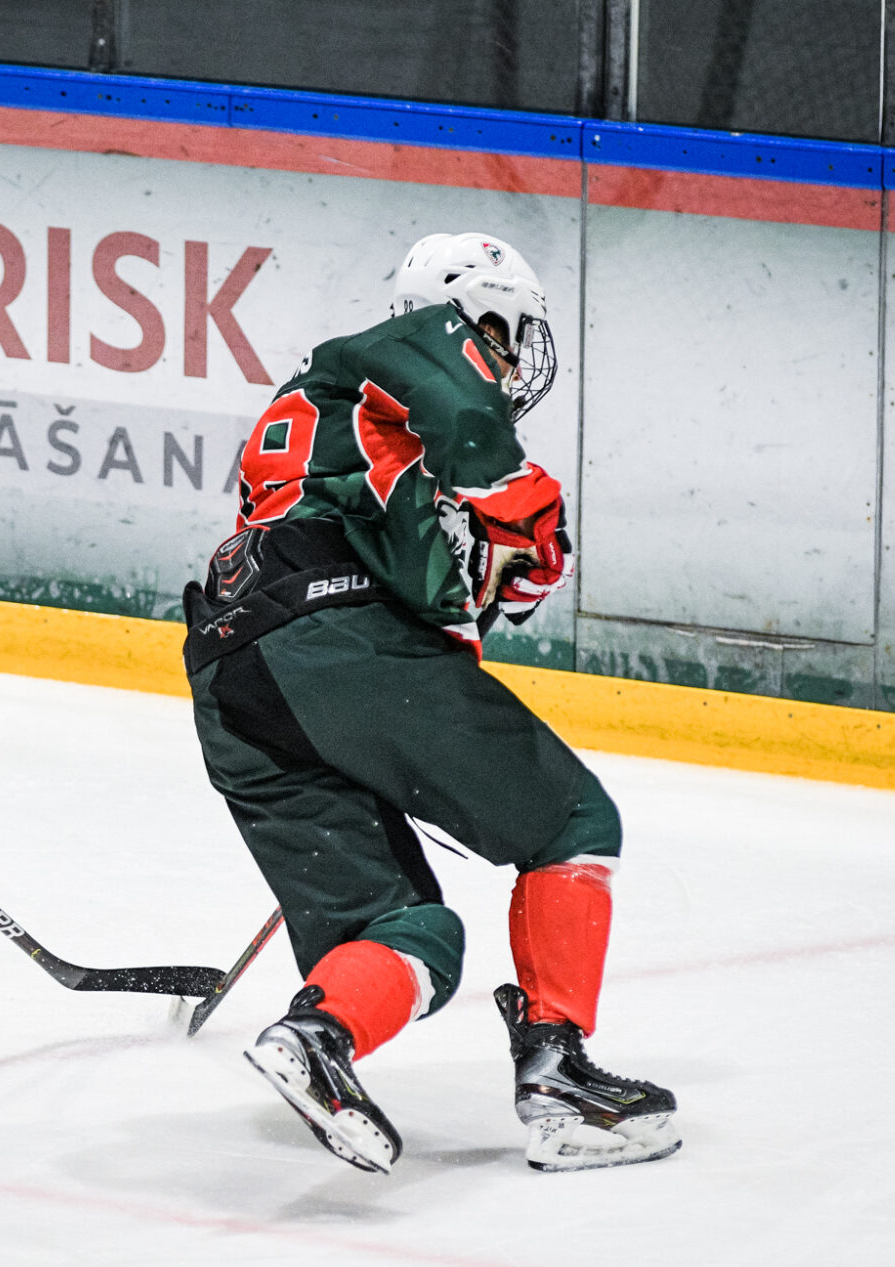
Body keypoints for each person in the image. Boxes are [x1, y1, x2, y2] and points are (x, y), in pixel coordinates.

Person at [183, 233, 678, 1174]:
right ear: (478, 315)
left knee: (409, 934)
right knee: (572, 823)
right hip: (336, 649)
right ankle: (559, 1076)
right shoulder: (412, 349)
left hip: (237, 674)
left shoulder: (365, 428)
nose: (509, 354)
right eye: (507, 330)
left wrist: (488, 574)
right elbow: (464, 426)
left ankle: (317, 1037)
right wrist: (513, 495)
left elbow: (421, 589)